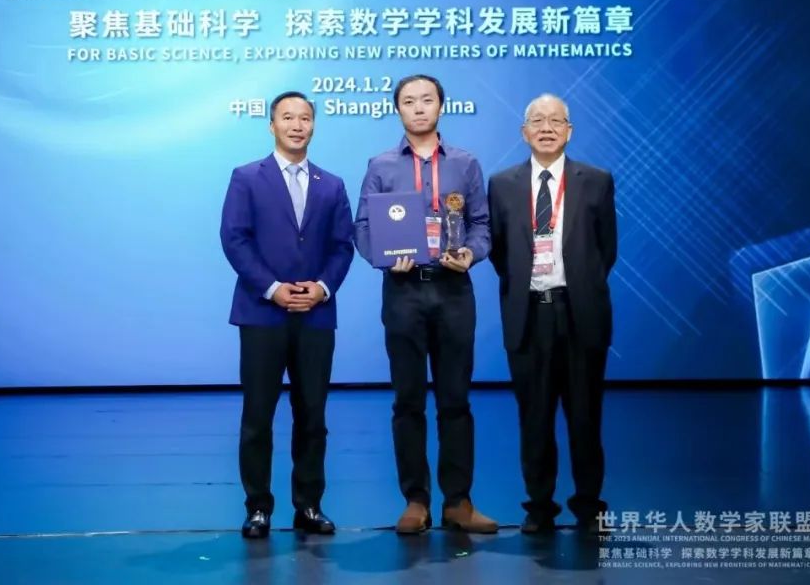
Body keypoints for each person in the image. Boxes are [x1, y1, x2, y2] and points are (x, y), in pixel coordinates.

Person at [354, 74, 498, 535]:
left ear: (441, 106)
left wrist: (471, 253)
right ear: (397, 109)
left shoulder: (465, 163)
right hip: (404, 292)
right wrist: (384, 258)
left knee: (456, 399)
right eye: (409, 101)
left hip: (453, 289)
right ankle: (415, 500)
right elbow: (363, 227)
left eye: (427, 100)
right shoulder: (381, 165)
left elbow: (482, 224)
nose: (418, 108)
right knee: (408, 400)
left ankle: (458, 501)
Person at [220, 91, 355, 538]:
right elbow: (235, 239)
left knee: (312, 415)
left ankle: (309, 506)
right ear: (271, 125)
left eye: (305, 118)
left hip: (316, 315)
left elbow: (342, 245)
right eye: (288, 117)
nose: (297, 125)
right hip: (263, 313)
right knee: (258, 415)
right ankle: (258, 507)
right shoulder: (246, 177)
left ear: (313, 125)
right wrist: (273, 289)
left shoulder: (331, 184)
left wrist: (322, 288)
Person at [486, 93, 617, 534]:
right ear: (524, 132)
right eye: (537, 121)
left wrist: (576, 284)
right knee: (534, 419)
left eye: (556, 121)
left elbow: (606, 250)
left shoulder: (595, 181)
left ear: (569, 131)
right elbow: (500, 252)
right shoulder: (502, 184)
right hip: (529, 315)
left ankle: (588, 505)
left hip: (580, 314)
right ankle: (539, 507)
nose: (546, 128)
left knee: (585, 418)